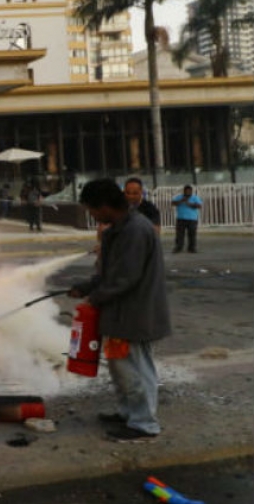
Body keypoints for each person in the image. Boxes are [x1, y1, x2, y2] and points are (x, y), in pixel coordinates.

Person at [69, 178, 169, 443]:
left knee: (135, 369)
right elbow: (110, 272)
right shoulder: (119, 229)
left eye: (92, 210)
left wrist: (95, 298)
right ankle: (128, 413)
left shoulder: (135, 230)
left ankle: (144, 424)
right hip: (120, 314)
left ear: (104, 206)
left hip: (134, 315)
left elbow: (126, 278)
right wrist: (87, 286)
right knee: (121, 369)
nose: (92, 216)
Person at [170, 185, 202, 253]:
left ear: (191, 191)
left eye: (189, 191)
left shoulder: (195, 198)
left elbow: (199, 206)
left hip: (192, 219)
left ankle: (192, 248)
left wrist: (188, 203)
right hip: (181, 218)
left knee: (192, 234)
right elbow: (173, 203)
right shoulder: (179, 197)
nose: (187, 192)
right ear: (184, 191)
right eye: (186, 191)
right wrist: (181, 201)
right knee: (179, 234)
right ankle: (178, 247)